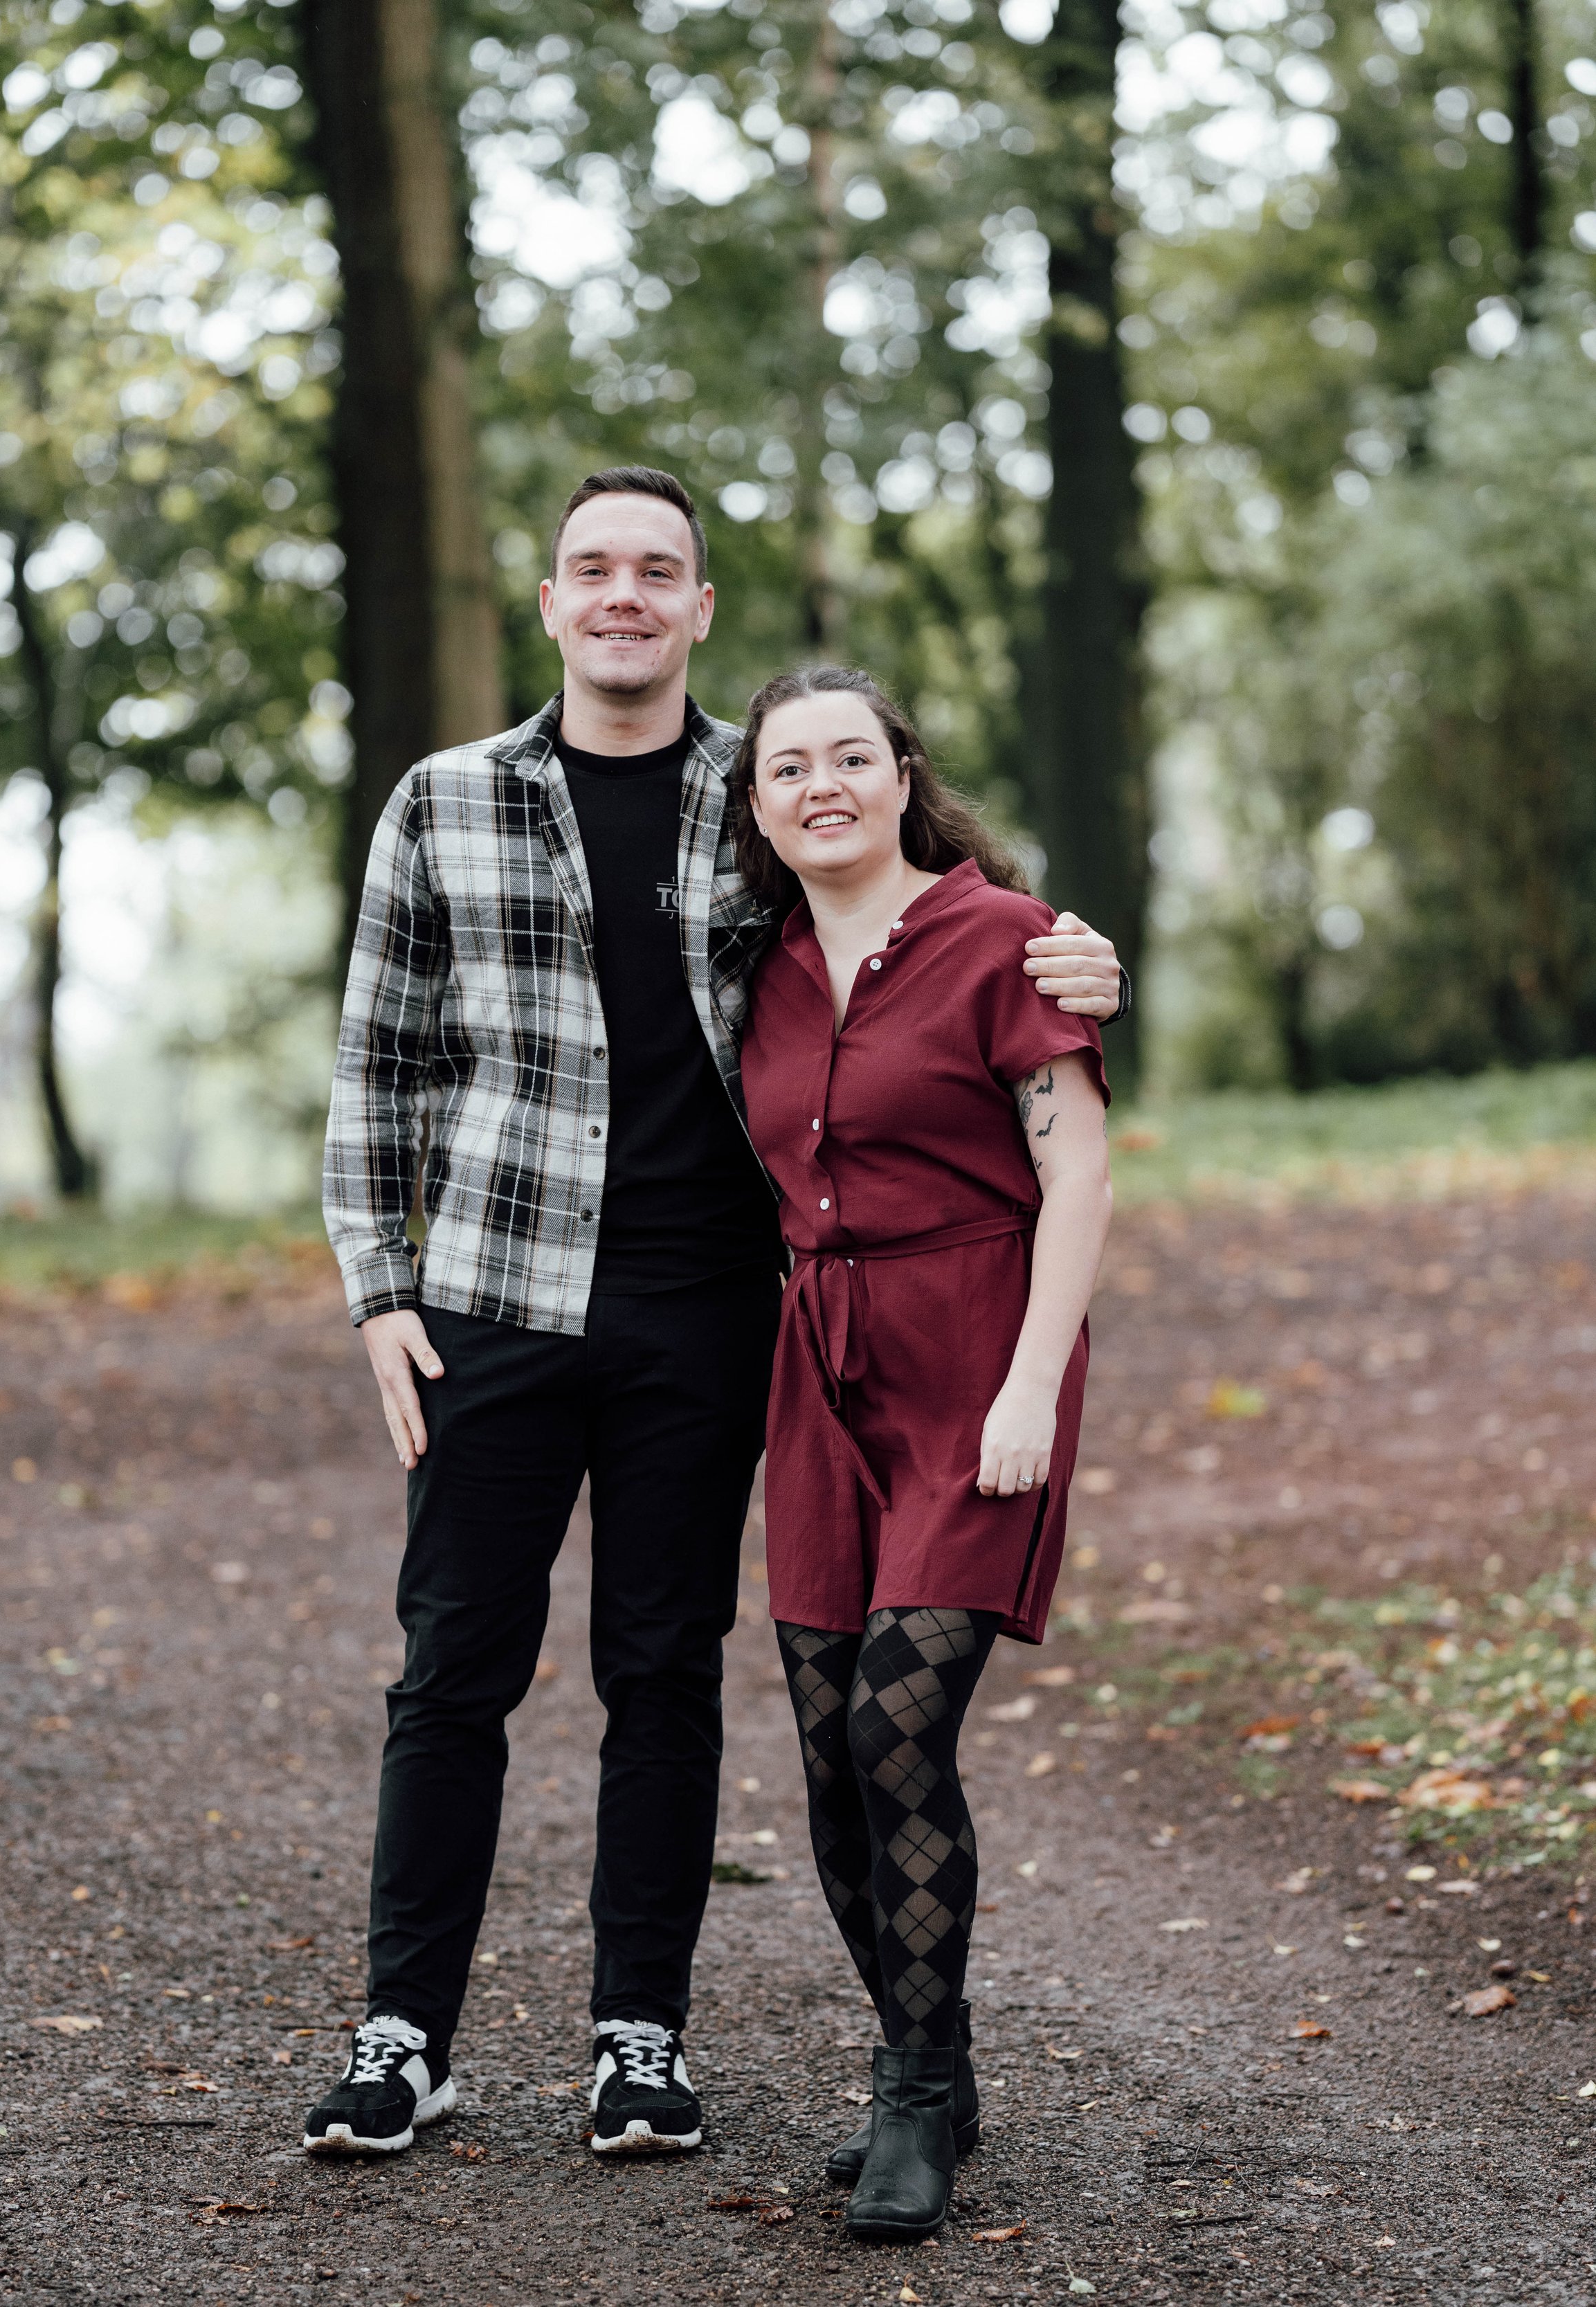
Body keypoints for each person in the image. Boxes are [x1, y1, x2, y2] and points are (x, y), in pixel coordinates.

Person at [306, 466, 1126, 2160]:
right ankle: (403, 2034)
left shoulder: (759, 793)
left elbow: (923, 917)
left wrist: (1078, 955)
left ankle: (639, 2036)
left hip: (704, 1312)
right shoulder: (441, 800)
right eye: (591, 567)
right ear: (549, 602)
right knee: (451, 1665)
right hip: (487, 1295)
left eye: (656, 569)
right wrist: (377, 1287)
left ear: (695, 608)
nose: (623, 593)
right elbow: (377, 1061)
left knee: (664, 1668)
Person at [732, 664, 1114, 2240]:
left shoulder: (1005, 939)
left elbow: (1077, 1176)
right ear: (758, 808)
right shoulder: (751, 967)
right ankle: (934, 2066)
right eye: (787, 768)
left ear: (902, 776)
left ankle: (910, 2091)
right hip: (819, 1375)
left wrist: (1029, 1387)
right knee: (829, 1751)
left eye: (849, 756)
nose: (820, 785)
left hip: (976, 1360)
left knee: (897, 1722)